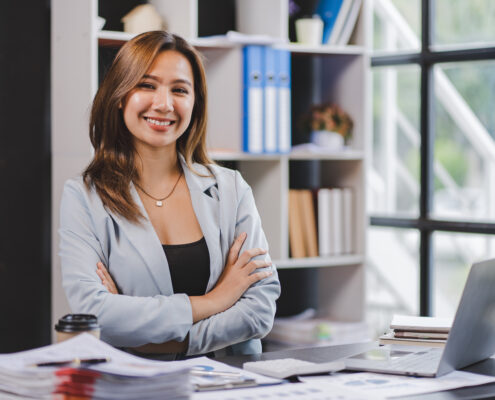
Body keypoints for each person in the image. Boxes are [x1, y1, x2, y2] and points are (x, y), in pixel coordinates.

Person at [59, 30, 280, 358]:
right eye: (147, 85)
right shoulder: (84, 197)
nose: (163, 104)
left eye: (179, 90)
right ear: (121, 95)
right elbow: (96, 314)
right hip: (134, 386)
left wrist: (173, 341)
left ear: (195, 104)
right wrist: (215, 301)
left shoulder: (231, 188)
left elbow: (259, 308)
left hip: (232, 384)